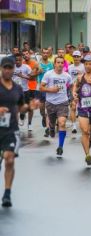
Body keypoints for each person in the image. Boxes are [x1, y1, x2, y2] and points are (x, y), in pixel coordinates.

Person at [0, 57, 30, 207]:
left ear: (13, 69)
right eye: (4, 67)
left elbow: (21, 107)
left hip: (11, 129)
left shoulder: (18, 88)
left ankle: (7, 193)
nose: (7, 70)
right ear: (1, 69)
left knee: (9, 159)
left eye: (9, 68)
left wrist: (30, 106)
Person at [40, 57, 72, 158]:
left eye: (62, 63)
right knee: (52, 123)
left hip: (63, 102)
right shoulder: (48, 74)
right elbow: (41, 87)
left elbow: (71, 85)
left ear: (64, 64)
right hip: (50, 103)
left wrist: (73, 94)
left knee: (62, 123)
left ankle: (60, 146)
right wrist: (51, 90)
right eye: (58, 62)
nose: (60, 64)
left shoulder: (67, 76)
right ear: (54, 64)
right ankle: (52, 128)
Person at [13, 53, 33, 130]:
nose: (18, 61)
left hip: (25, 90)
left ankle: (22, 115)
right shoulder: (12, 67)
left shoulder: (26, 67)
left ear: (22, 60)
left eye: (19, 60)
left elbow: (31, 78)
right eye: (16, 60)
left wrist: (22, 76)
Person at [38, 48, 54, 136]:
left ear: (48, 54)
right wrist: (38, 72)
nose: (45, 54)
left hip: (49, 89)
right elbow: (32, 74)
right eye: (43, 53)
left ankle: (48, 127)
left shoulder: (51, 64)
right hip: (41, 88)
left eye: (46, 53)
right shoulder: (38, 64)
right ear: (41, 54)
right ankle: (44, 118)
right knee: (41, 109)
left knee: (48, 109)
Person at [68, 50, 85, 134]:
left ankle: (84, 124)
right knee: (73, 107)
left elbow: (87, 77)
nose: (76, 58)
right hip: (72, 89)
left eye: (78, 56)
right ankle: (74, 125)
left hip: (82, 89)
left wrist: (81, 73)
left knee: (82, 107)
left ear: (80, 57)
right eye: (75, 56)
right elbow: (68, 78)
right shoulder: (70, 67)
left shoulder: (84, 66)